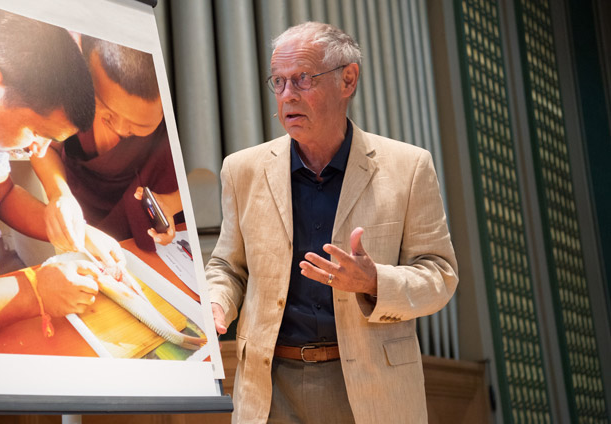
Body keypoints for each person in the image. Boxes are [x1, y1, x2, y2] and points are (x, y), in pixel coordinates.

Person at [206, 22, 458, 423]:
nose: (287, 95)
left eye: (303, 79)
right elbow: (227, 267)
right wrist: (217, 300)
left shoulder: (409, 167)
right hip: (271, 387)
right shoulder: (242, 170)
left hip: (370, 387)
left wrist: (374, 282)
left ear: (348, 80)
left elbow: (440, 276)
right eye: (279, 82)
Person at [0, 0, 121, 337]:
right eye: (37, 132)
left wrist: (76, 233)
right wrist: (34, 292)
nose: (38, 150)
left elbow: (1, 194)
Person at [31, 36, 183, 254]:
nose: (120, 128)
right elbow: (46, 148)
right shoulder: (72, 89)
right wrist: (59, 193)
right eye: (106, 110)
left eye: (139, 125)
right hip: (85, 221)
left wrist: (171, 203)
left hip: (153, 236)